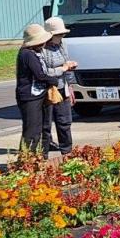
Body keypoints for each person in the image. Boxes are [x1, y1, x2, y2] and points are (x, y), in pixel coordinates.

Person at [16, 24, 61, 157]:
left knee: (38, 129)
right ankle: (25, 160)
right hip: (29, 97)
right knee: (31, 130)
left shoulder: (33, 53)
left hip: (37, 96)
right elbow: (39, 75)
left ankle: (34, 158)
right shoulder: (27, 54)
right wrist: (53, 81)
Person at [41, 17, 78, 157]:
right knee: (45, 124)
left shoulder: (63, 44)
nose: (61, 37)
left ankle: (67, 151)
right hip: (48, 89)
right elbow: (42, 72)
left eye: (62, 34)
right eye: (58, 34)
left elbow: (67, 65)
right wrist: (61, 69)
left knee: (65, 121)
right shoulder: (41, 48)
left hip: (63, 87)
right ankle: (43, 153)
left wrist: (71, 86)